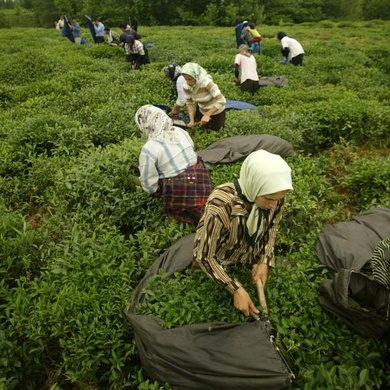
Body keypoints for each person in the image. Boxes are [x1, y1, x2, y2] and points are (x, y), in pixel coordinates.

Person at [193, 149, 293, 317]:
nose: (274, 206)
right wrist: (235, 289)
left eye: (278, 199)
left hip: (248, 252)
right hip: (220, 255)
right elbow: (205, 256)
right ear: (254, 187)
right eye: (269, 199)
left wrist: (264, 260)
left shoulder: (275, 195)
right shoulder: (221, 206)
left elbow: (271, 228)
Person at [134, 105, 213, 225]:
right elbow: (192, 149)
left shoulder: (149, 149)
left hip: (179, 188)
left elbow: (149, 185)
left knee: (146, 177)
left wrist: (157, 189)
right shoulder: (180, 131)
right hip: (201, 178)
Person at [174, 63, 226, 131]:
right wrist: (191, 120)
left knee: (217, 133)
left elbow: (222, 100)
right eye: (185, 79)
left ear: (196, 76)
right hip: (202, 111)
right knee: (204, 131)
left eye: (190, 79)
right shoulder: (186, 86)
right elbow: (190, 103)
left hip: (216, 112)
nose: (188, 82)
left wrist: (207, 114)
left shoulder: (207, 83)